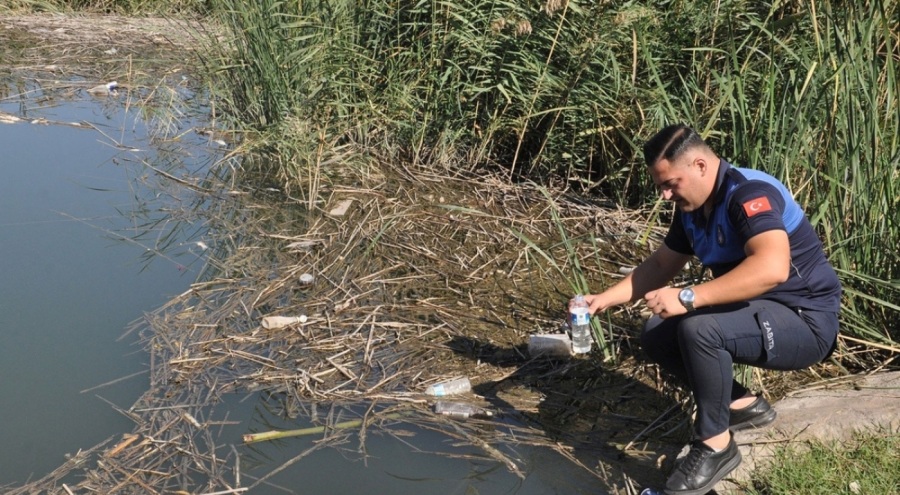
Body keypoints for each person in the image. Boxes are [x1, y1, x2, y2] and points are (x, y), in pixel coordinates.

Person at [584, 124, 841, 495]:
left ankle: (715, 445)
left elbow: (772, 268)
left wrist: (687, 297)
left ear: (701, 165)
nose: (664, 194)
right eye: (660, 186)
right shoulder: (692, 208)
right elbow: (659, 267)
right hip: (760, 312)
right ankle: (742, 405)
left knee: (699, 329)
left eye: (671, 183)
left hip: (806, 321)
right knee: (658, 332)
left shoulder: (750, 194)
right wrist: (603, 299)